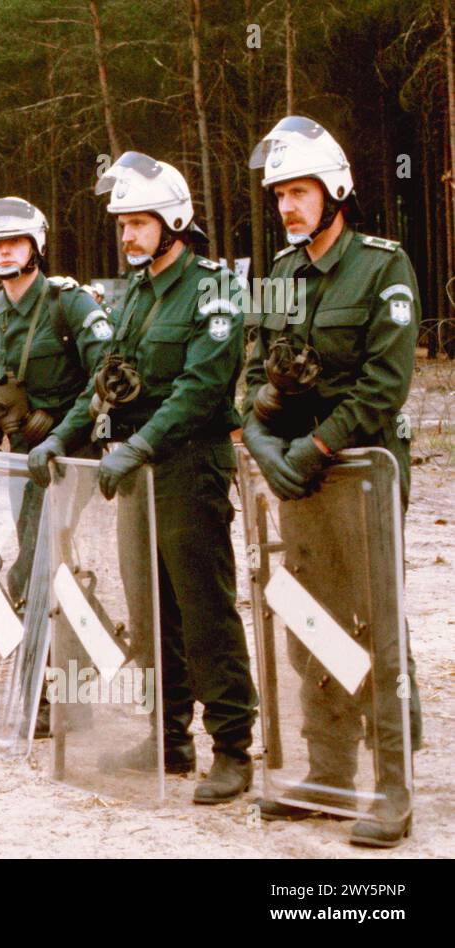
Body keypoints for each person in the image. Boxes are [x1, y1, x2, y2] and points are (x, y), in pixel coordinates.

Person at [29, 151, 257, 803]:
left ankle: (234, 747)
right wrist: (63, 435)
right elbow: (108, 383)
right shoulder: (134, 297)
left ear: (173, 219)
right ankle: (169, 739)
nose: (126, 235)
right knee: (151, 613)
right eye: (121, 224)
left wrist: (143, 444)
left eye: (137, 222)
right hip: (138, 472)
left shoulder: (215, 289)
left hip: (189, 467)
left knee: (205, 609)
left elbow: (203, 385)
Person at [242, 116, 421, 847]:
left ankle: (393, 786)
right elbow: (252, 374)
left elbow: (385, 386)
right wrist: (260, 439)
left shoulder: (383, 267)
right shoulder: (277, 278)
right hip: (297, 479)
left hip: (361, 474)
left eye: (302, 191)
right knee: (307, 614)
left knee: (371, 622)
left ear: (335, 191)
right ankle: (327, 772)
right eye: (280, 193)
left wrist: (314, 447)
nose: (288, 205)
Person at [0, 197, 113, 727]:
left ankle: (66, 693)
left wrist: (61, 432)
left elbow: (105, 376)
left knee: (44, 569)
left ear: (36, 247)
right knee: (33, 569)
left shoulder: (70, 304)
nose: (3, 253)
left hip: (71, 461)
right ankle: (53, 687)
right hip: (20, 462)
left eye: (14, 242)